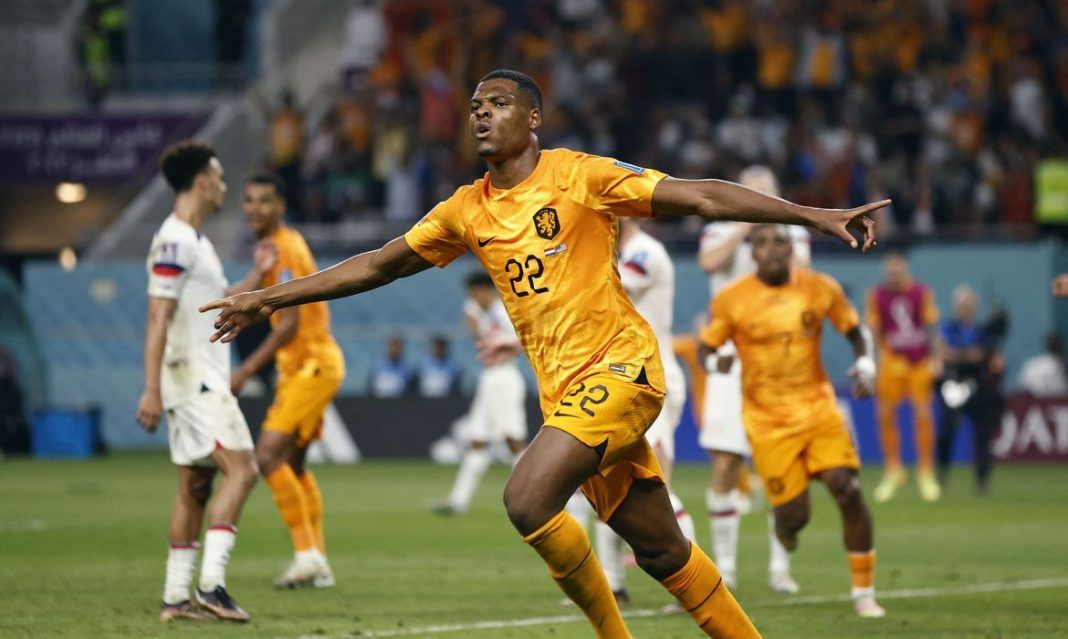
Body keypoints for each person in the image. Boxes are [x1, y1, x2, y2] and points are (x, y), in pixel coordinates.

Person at [202, 69, 885, 638]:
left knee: (527, 497)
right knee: (662, 551)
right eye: (475, 106)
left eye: (498, 103)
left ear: (533, 119)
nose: (481, 114)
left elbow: (700, 196)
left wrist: (811, 214)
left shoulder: (580, 176)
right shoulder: (466, 210)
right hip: (567, 396)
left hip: (622, 368)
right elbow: (380, 264)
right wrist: (270, 298)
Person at [699, 224, 885, 619]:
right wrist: (716, 363)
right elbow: (705, 348)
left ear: (792, 249)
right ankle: (785, 530)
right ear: (752, 254)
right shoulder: (732, 299)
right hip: (767, 421)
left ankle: (864, 592)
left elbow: (856, 330)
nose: (771, 249)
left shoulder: (820, 288)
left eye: (779, 241)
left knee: (847, 487)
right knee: (795, 515)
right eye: (762, 243)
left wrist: (866, 363)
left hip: (818, 408)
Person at [136, 141, 258, 622]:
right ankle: (211, 586)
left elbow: (215, 301)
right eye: (220, 177)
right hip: (194, 379)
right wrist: (151, 387)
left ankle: (175, 597)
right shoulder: (176, 242)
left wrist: (259, 275)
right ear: (202, 182)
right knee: (243, 470)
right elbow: (157, 315)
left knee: (194, 486)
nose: (225, 186)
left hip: (193, 377)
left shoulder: (195, 241)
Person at [228, 173, 345, 589]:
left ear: (280, 206)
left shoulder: (285, 249)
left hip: (310, 364)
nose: (254, 208)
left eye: (264, 201)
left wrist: (244, 371)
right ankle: (317, 562)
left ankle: (307, 556)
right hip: (302, 367)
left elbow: (290, 324)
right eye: (249, 200)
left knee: (267, 457)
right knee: (293, 465)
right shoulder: (275, 247)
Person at [696, 165, 807, 593]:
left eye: (766, 195)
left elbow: (800, 279)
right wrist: (746, 222)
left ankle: (780, 569)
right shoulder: (720, 226)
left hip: (777, 360)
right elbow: (710, 262)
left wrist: (774, 226)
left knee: (779, 463)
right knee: (725, 462)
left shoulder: (792, 232)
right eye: (751, 193)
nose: (759, 200)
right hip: (729, 358)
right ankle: (725, 567)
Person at [580, 216, 696, 603]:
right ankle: (612, 585)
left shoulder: (644, 252)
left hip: (653, 380)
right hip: (624, 378)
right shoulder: (621, 252)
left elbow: (607, 297)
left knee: (654, 484)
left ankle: (696, 583)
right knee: (607, 477)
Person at [431, 273, 527, 515]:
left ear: (485, 290)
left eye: (474, 293)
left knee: (512, 439)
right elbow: (471, 316)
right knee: (477, 440)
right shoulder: (483, 311)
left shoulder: (505, 311)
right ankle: (457, 501)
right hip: (489, 377)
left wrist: (504, 347)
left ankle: (537, 493)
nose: (472, 298)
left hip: (505, 377)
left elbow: (523, 340)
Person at [866, 252, 943, 503]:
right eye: (890, 272)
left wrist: (936, 358)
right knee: (885, 414)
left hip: (918, 361)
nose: (894, 277)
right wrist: (873, 362)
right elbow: (874, 331)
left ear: (905, 272)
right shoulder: (877, 295)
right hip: (892, 361)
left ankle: (925, 471)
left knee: (923, 414)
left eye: (898, 272)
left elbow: (931, 328)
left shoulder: (921, 292)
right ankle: (893, 469)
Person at [936, 286, 1008, 495]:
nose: (966, 309)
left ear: (975, 307)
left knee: (982, 433)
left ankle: (982, 480)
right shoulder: (948, 328)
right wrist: (970, 356)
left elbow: (987, 357)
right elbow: (944, 352)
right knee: (947, 431)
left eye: (969, 305)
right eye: (962, 305)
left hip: (978, 385)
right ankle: (942, 474)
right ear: (956, 307)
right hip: (954, 383)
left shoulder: (983, 332)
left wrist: (961, 355)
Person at [1017, 333, 1068, 397]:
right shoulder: (1063, 366)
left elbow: (1022, 388)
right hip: (1055, 400)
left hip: (1036, 399)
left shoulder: (1032, 365)